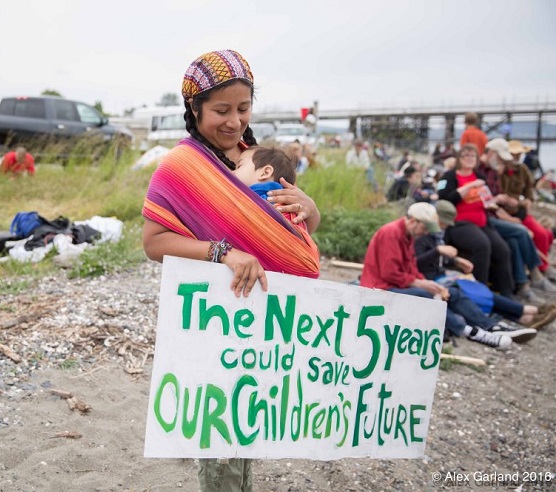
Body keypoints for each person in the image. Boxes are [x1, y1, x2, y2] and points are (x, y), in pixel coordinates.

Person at [142, 49, 321, 491]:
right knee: (217, 418)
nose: (234, 121)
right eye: (221, 110)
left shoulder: (255, 158)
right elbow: (154, 243)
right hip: (210, 314)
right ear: (194, 108)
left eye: (243, 109)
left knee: (248, 417)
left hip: (259, 319)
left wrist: (311, 209)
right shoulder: (181, 167)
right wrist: (224, 252)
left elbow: (291, 232)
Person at [360, 202, 517, 349]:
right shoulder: (391, 233)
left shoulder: (407, 235)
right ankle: (470, 332)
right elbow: (389, 274)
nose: (427, 232)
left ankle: (488, 325)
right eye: (425, 228)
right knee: (422, 294)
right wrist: (421, 284)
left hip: (395, 285)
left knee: (452, 293)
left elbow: (411, 268)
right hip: (380, 289)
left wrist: (430, 284)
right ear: (414, 221)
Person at [416, 200, 553, 331]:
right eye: (442, 223)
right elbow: (418, 262)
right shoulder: (421, 237)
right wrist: (438, 251)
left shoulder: (434, 235)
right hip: (431, 279)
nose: (444, 226)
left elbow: (436, 259)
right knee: (473, 293)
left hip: (439, 275)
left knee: (477, 291)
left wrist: (455, 261)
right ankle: (526, 312)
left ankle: (524, 316)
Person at [436, 144, 516, 298]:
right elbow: (445, 200)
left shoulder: (480, 176)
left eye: (472, 156)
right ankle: (480, 291)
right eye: (465, 155)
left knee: (503, 249)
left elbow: (486, 200)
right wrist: (469, 186)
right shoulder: (449, 176)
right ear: (459, 158)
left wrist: (494, 201)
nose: (469, 159)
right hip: (459, 223)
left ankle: (506, 291)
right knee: (482, 245)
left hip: (482, 221)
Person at [491, 138, 556, 292]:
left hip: (519, 212)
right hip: (505, 214)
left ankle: (541, 269)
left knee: (543, 234)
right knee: (525, 235)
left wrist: (526, 201)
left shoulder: (523, 170)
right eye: (514, 154)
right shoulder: (498, 172)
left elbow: (529, 194)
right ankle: (535, 273)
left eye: (519, 154)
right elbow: (496, 199)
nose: (517, 157)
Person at [232, 146, 305, 230]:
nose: (232, 172)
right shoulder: (283, 199)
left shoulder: (262, 199)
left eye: (239, 166)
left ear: (265, 172)